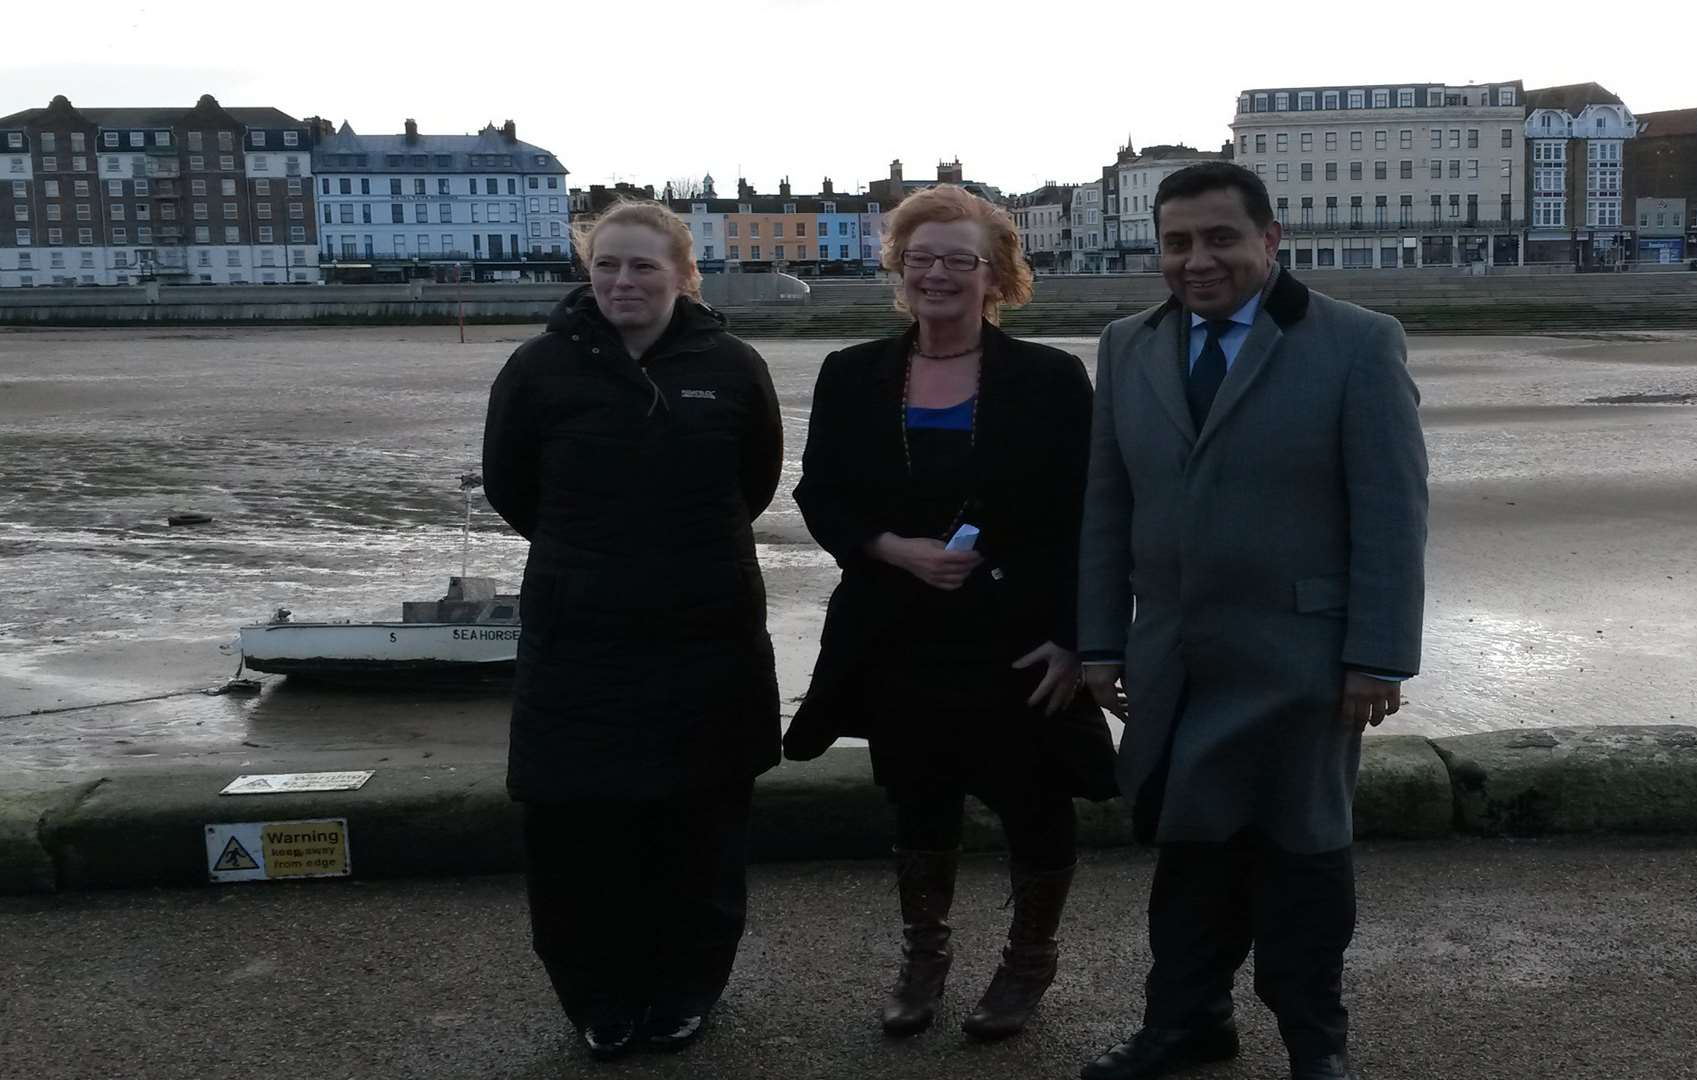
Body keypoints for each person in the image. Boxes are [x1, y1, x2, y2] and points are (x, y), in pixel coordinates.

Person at [1075, 163, 1429, 1080]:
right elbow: (1106, 508)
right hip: (1177, 662)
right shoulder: (1128, 346)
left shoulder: (1355, 342)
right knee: (1190, 858)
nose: (1197, 261)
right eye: (1177, 242)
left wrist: (1378, 657)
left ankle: (1317, 1045)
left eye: (1220, 238)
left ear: (1272, 241)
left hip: (1301, 663)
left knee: (1304, 861)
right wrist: (1101, 640)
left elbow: (1391, 513)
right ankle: (1188, 1024)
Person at [783, 184, 1117, 1042]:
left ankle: (1026, 963)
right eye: (920, 257)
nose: (938, 274)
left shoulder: (1048, 378)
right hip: (898, 634)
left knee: (1035, 804)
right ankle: (923, 957)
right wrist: (894, 549)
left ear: (995, 274)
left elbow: (1091, 513)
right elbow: (820, 494)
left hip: (1019, 636)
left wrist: (1079, 642)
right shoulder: (852, 373)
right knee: (917, 802)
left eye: (959, 259)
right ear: (899, 268)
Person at [481, 199, 783, 1063]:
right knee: (578, 831)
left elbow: (753, 482)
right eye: (608, 264)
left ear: (683, 276)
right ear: (588, 270)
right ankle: (599, 998)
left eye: (643, 266)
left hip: (709, 634)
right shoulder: (537, 370)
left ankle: (688, 990)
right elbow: (515, 491)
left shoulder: (732, 367)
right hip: (580, 642)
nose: (623, 281)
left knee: (703, 825)